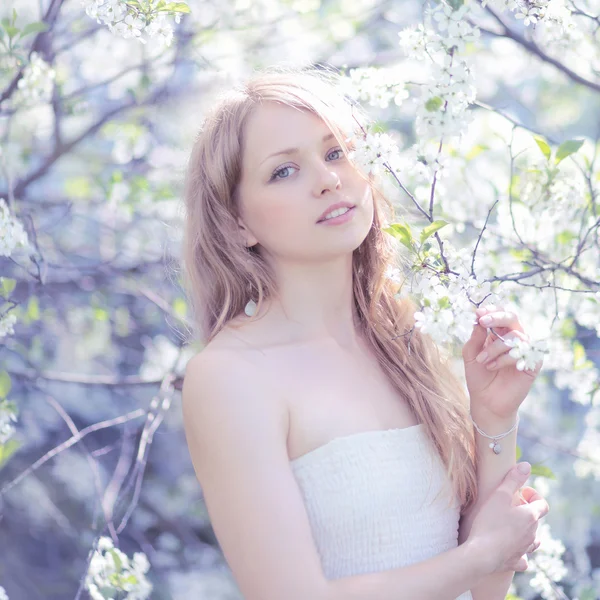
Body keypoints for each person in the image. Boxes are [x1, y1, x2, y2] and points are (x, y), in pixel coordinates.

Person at [179, 65, 550, 600]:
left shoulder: (404, 340)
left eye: (335, 153)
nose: (329, 179)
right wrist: (482, 555)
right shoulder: (231, 377)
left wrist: (494, 417)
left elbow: (486, 589)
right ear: (237, 222)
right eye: (284, 171)